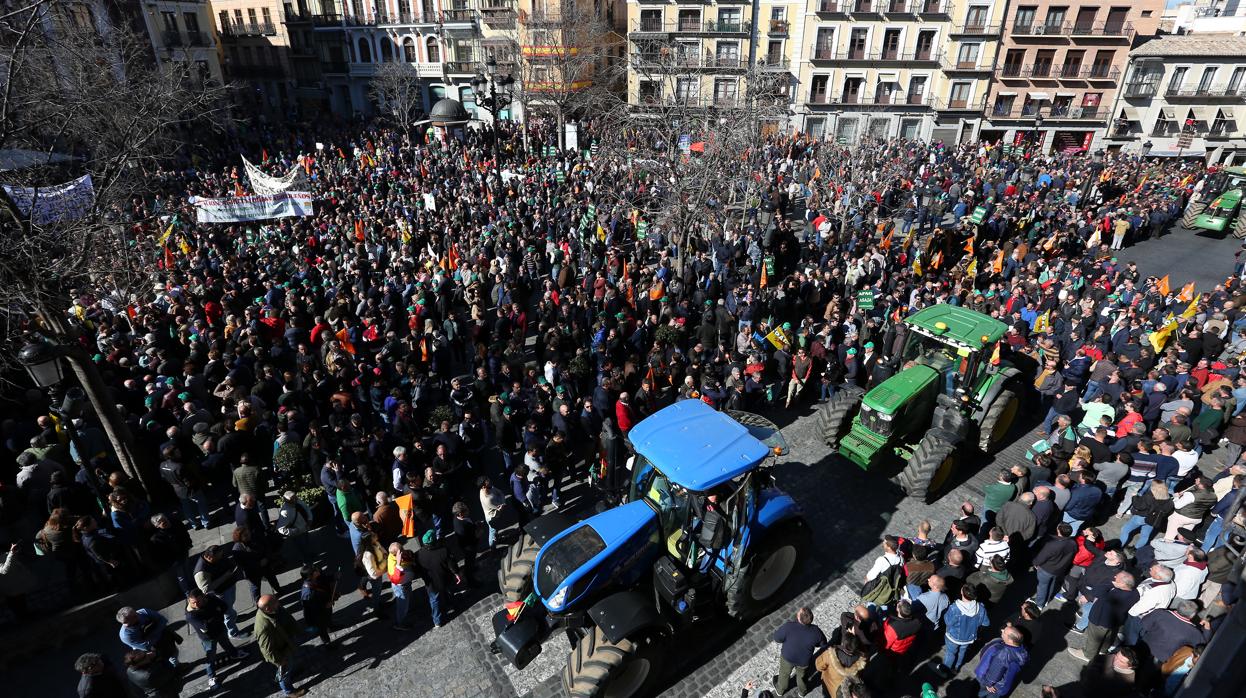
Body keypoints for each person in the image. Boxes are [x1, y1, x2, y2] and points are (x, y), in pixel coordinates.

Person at [185, 589, 249, 689]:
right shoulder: (191, 615)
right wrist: (216, 612)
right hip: (208, 638)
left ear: (203, 597)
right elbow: (206, 626)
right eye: (193, 602)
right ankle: (211, 676)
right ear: (189, 601)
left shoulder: (210, 597)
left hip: (220, 629)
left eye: (198, 601)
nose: (196, 605)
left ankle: (234, 654)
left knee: (227, 644)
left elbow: (224, 607)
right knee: (210, 656)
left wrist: (213, 617)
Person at [1067, 571, 1138, 660]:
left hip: (1099, 621)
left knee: (1094, 639)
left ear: (1123, 584)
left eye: (1117, 578)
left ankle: (1088, 655)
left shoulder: (1114, 596)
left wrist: (1110, 584)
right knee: (1108, 638)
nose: (1114, 577)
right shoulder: (1135, 593)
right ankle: (1103, 651)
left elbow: (1097, 591)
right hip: (1115, 622)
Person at [254, 594, 307, 697]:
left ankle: (291, 672)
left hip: (287, 643)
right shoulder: (262, 627)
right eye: (275, 602)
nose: (278, 602)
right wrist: (279, 661)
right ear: (267, 608)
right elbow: (266, 649)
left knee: (290, 665)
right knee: (284, 672)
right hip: (281, 653)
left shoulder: (275, 608)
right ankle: (289, 691)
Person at [937, 584, 990, 677]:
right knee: (962, 652)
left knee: (951, 653)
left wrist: (945, 613)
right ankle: (956, 668)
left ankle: (945, 669)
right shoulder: (981, 608)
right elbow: (986, 623)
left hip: (953, 637)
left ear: (961, 592)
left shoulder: (954, 608)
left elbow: (948, 622)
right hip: (969, 638)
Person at [773, 606, 825, 696]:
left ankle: (780, 690)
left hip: (788, 657)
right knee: (801, 677)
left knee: (784, 673)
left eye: (798, 612)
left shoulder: (789, 626)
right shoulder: (816, 631)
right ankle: (802, 692)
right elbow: (823, 644)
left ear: (799, 617)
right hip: (803, 661)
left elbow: (777, 638)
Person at [417, 528, 460, 627]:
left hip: (431, 583)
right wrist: (456, 573)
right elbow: (452, 565)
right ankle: (451, 605)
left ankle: (437, 621)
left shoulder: (418, 554)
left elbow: (418, 569)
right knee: (448, 592)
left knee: (434, 601)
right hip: (445, 579)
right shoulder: (444, 551)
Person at [973, 626, 1029, 697]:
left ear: (1010, 640)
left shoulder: (1003, 654)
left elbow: (994, 673)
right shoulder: (1021, 650)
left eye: (1004, 632)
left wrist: (987, 683)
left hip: (993, 685)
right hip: (1002, 686)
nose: (1002, 630)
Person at [1031, 523, 1077, 609]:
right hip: (1059, 570)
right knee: (1051, 584)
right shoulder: (1073, 543)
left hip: (1046, 569)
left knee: (1042, 587)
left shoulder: (1052, 545)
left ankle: (1039, 604)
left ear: (1058, 531)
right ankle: (1047, 600)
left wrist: (1035, 563)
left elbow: (1041, 557)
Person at [299, 564, 338, 646]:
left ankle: (331, 627)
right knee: (322, 629)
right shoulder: (308, 593)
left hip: (325, 607)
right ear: (311, 575)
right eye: (315, 570)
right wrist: (325, 605)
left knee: (328, 617)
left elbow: (325, 579)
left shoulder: (316, 577)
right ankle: (327, 643)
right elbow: (312, 609)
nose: (318, 570)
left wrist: (334, 576)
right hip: (317, 615)